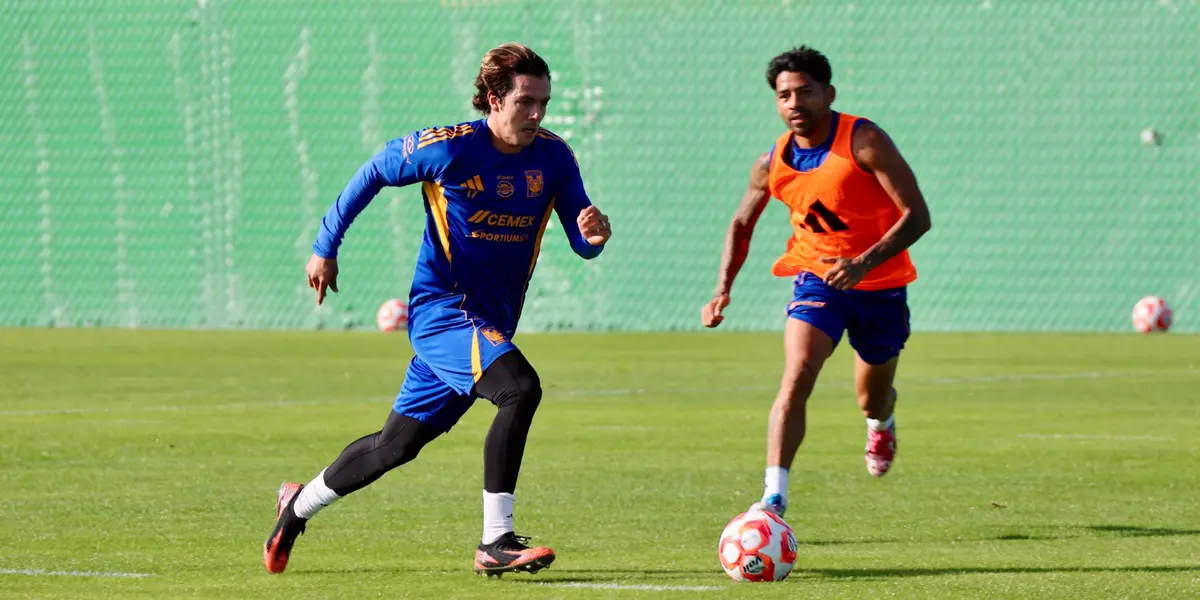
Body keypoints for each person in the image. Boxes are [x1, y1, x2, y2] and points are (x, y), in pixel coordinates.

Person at [263, 42, 612, 577]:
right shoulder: (449, 149)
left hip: (487, 325)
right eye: (526, 102)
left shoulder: (555, 157)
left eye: (544, 102)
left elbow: (580, 238)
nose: (537, 114)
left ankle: (297, 505)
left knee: (394, 446)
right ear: (493, 99)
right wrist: (324, 246)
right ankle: (496, 541)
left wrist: (594, 237)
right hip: (443, 312)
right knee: (520, 388)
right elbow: (374, 171)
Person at [701, 46, 931, 517]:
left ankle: (881, 420)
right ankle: (773, 496)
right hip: (818, 281)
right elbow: (741, 224)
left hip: (881, 285)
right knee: (797, 374)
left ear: (828, 93)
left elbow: (917, 216)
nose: (794, 103)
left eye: (805, 91)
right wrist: (723, 287)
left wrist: (864, 263)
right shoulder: (772, 162)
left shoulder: (864, 141)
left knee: (870, 396)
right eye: (784, 95)